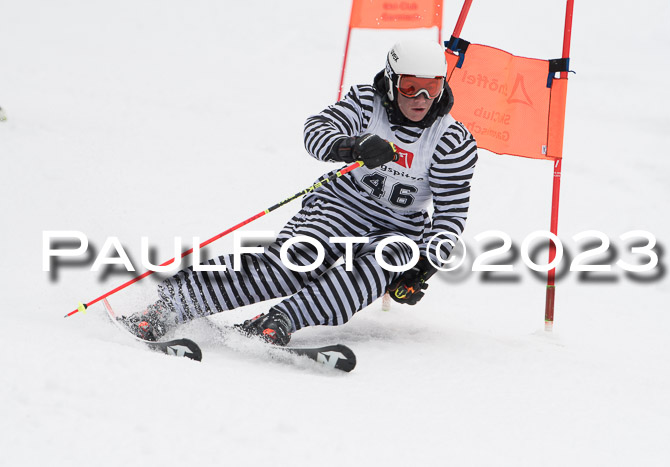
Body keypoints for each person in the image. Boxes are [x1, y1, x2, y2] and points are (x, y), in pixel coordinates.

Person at [122, 39, 478, 345]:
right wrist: (350, 146)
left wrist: (425, 266)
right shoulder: (367, 103)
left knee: (379, 265)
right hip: (342, 204)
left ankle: (281, 321)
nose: (421, 98)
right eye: (410, 86)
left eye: (431, 87)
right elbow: (317, 130)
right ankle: (172, 305)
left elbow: (450, 215)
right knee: (294, 262)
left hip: (399, 227)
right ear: (390, 81)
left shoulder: (451, 141)